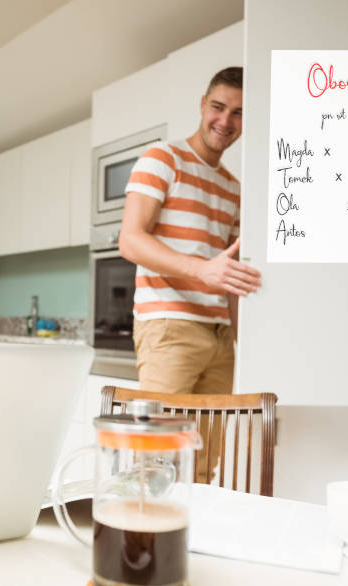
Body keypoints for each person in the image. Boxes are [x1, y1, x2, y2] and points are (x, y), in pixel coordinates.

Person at [118, 67, 261, 482]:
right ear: (202, 106)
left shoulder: (234, 188)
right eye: (218, 107)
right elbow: (130, 240)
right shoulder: (163, 158)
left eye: (238, 112)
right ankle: (142, 547)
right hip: (169, 329)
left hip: (219, 338)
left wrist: (239, 340)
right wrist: (203, 270)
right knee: (153, 458)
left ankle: (188, 546)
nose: (226, 121)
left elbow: (228, 275)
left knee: (202, 461)